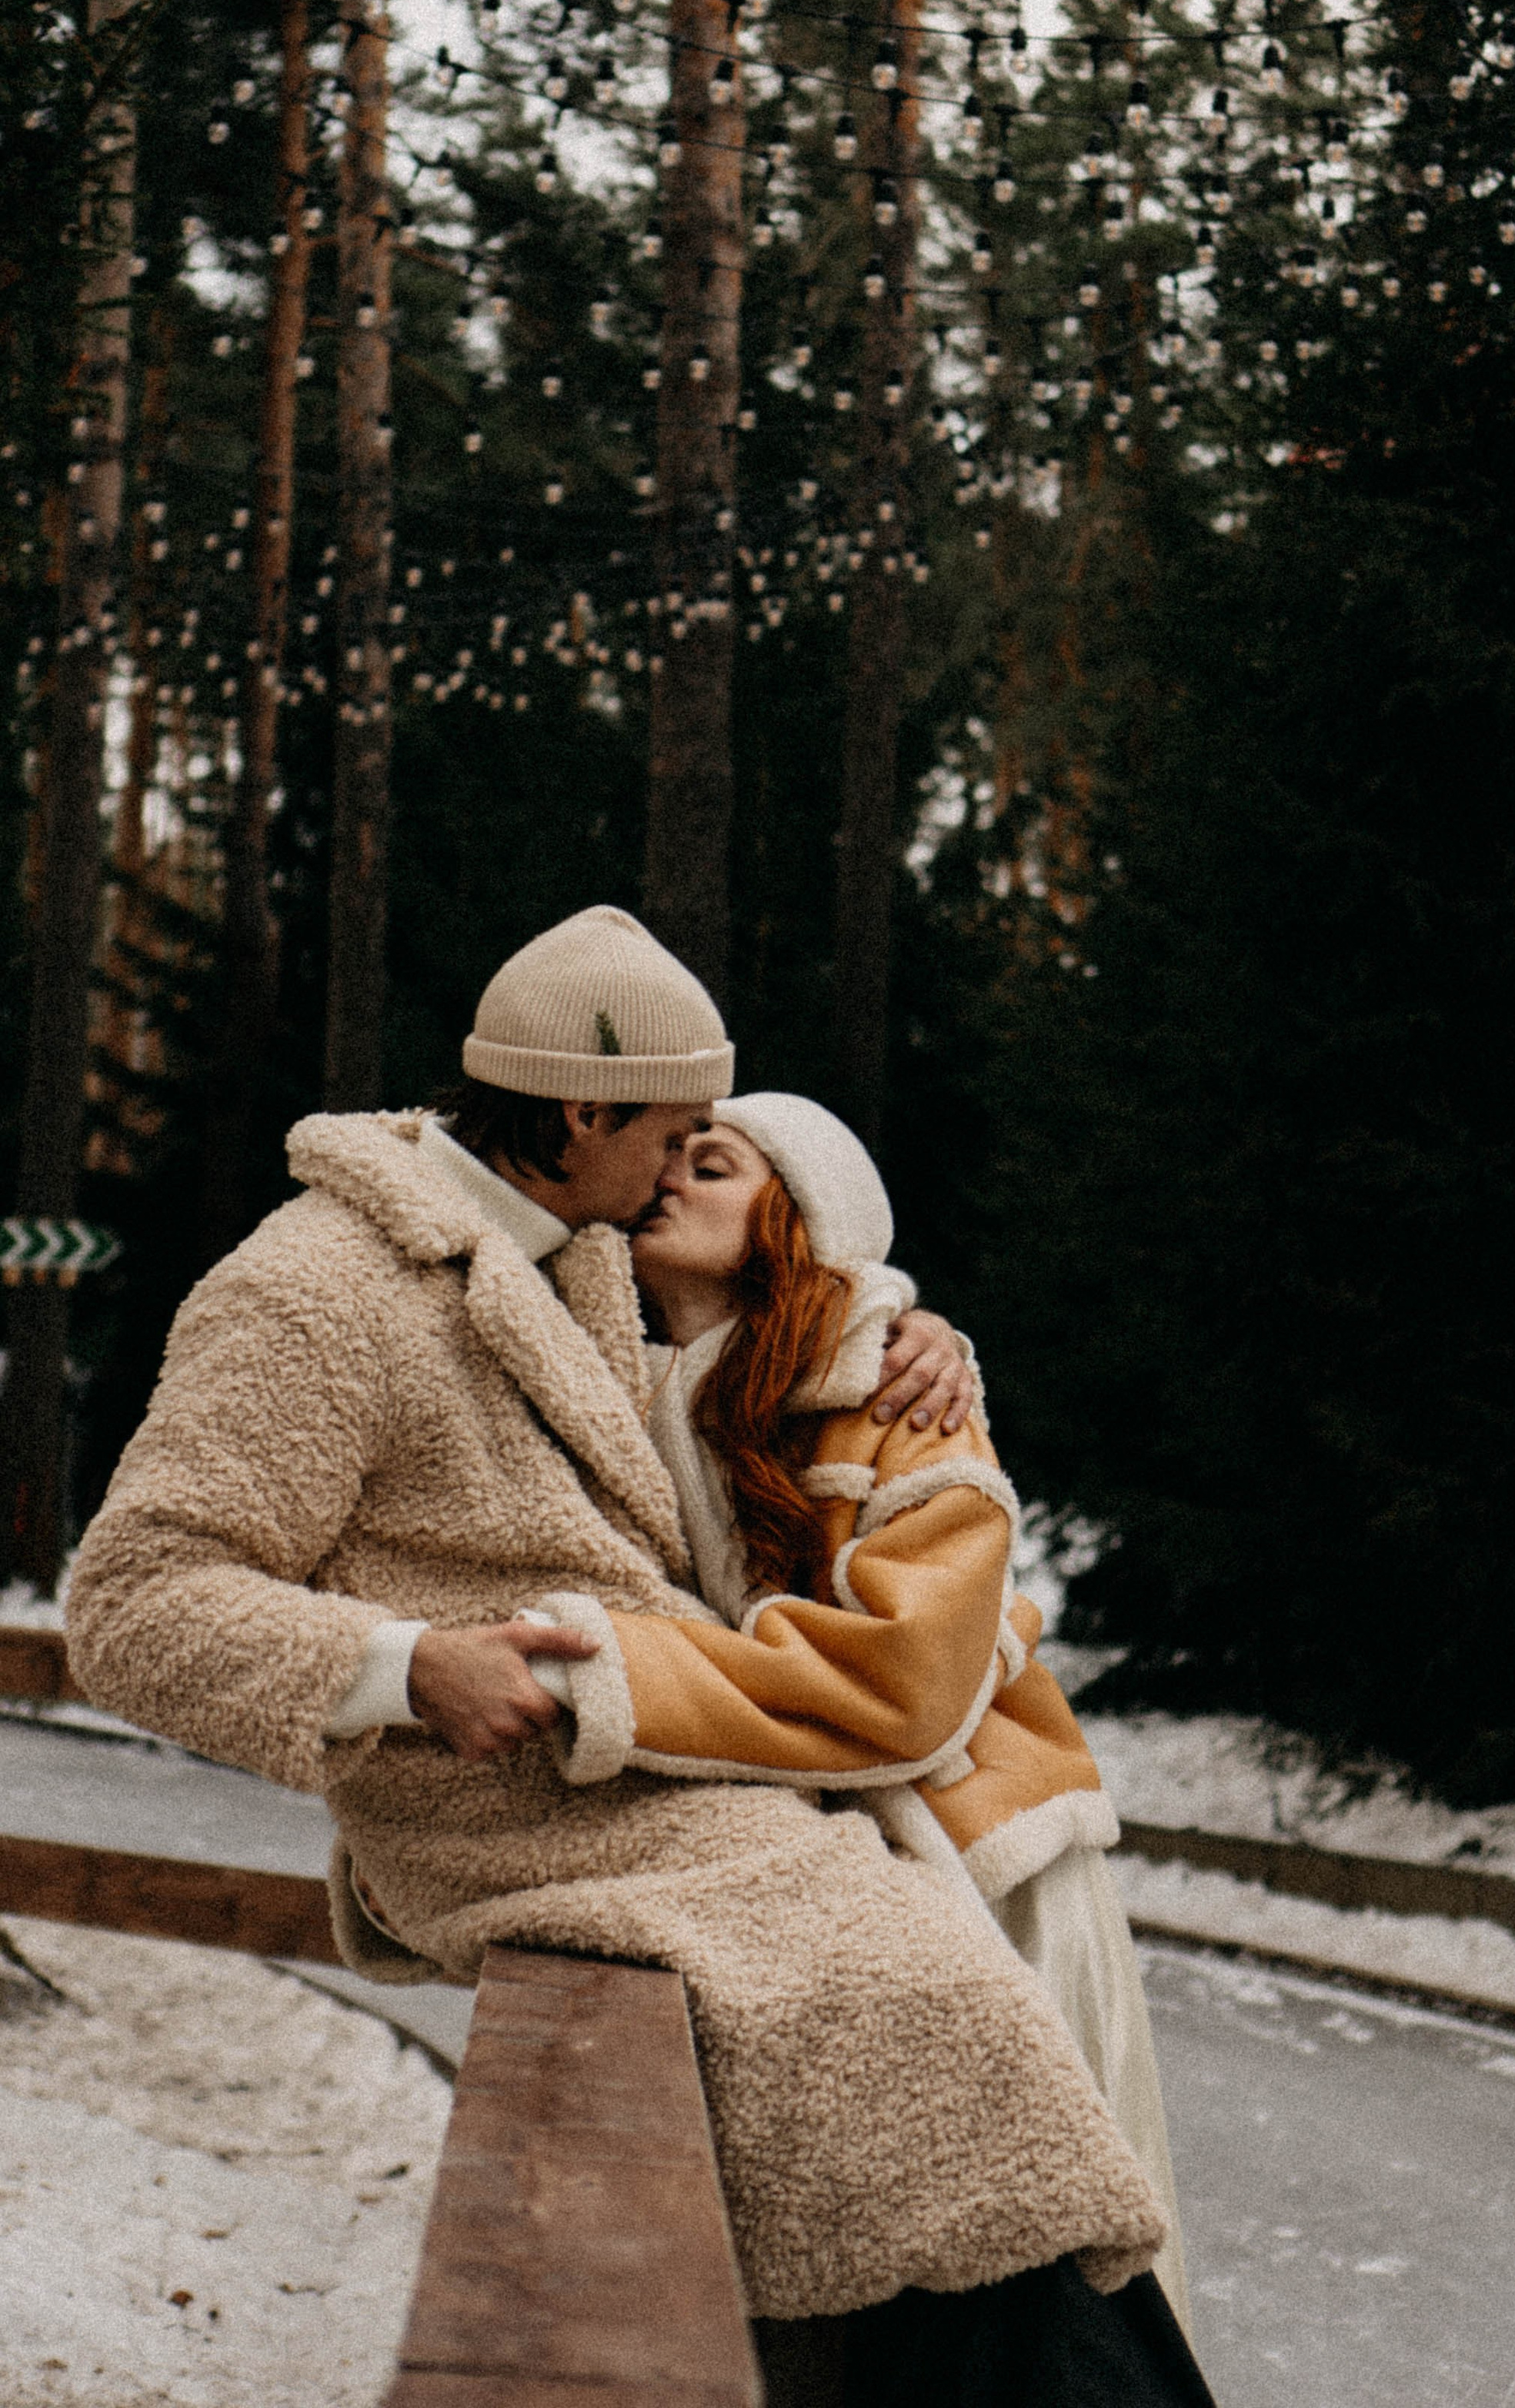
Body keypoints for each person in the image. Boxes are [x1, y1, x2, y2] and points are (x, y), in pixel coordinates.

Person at [62, 907, 1211, 2404]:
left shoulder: (574, 1252)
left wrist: (915, 1331)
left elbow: (769, 1354)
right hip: (509, 1801)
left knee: (937, 2035)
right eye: (671, 1132)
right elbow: (132, 1600)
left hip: (656, 1793)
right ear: (583, 1109)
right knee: (920, 2014)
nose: (680, 1166)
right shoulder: (315, 1289)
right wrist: (409, 1665)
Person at [522, 1090, 1193, 2348]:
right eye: (664, 1153)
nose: (670, 1176)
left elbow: (907, 1688)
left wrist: (621, 1675)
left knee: (1025, 2293)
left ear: (797, 1217)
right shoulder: (614, 1385)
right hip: (819, 1891)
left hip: (986, 1879)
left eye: (711, 1163)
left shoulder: (898, 1391)